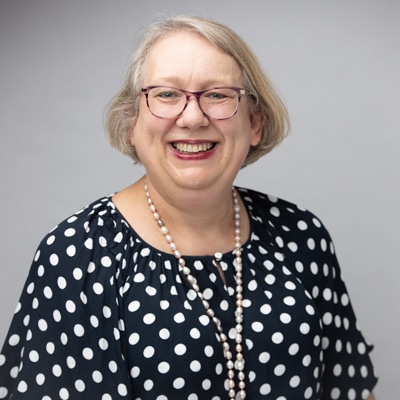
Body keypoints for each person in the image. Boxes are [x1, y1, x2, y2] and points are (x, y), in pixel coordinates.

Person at [0, 14, 377, 400]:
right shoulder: (78, 254)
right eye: (166, 94)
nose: (193, 117)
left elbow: (349, 390)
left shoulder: (300, 236)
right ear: (132, 121)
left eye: (217, 95)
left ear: (255, 122)